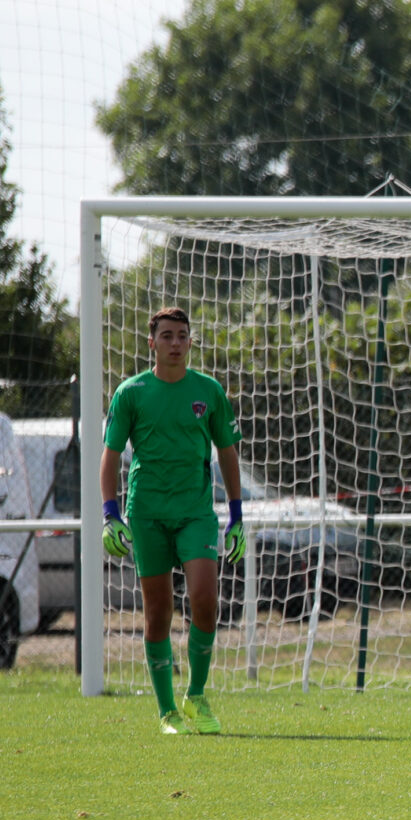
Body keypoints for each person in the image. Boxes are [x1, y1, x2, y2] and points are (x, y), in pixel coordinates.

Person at [100, 307, 245, 734]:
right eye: (167, 336)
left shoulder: (209, 391)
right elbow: (109, 460)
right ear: (152, 343)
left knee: (204, 600)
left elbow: (228, 453)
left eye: (183, 335)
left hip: (197, 514)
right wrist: (111, 515)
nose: (176, 343)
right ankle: (167, 712)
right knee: (158, 611)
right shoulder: (131, 393)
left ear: (191, 341)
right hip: (146, 515)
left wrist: (236, 517)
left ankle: (196, 696)